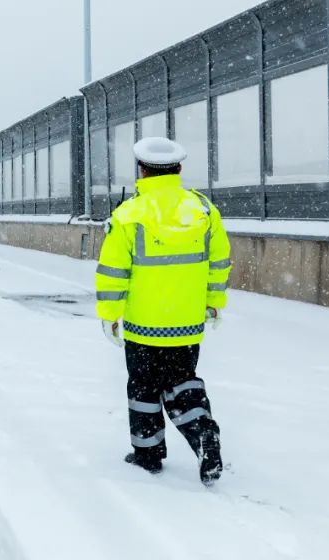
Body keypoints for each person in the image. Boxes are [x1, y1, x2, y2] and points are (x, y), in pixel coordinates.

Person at [95, 136, 231, 486]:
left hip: (143, 324)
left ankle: (148, 454)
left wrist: (110, 313)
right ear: (179, 169)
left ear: (141, 170)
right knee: (182, 380)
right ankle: (202, 432)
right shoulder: (202, 210)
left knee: (143, 387)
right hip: (187, 323)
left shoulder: (128, 214)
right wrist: (213, 302)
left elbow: (113, 271)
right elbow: (219, 262)